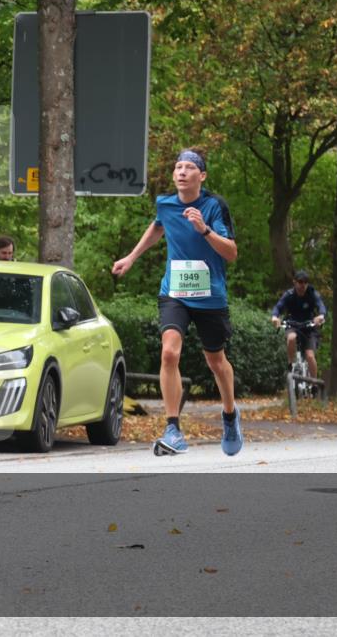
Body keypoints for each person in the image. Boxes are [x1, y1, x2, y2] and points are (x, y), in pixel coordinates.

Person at [111, 147, 242, 456]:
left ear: (202, 176)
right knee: (169, 353)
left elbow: (232, 253)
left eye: (189, 167)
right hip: (175, 293)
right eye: (178, 167)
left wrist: (204, 229)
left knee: (216, 362)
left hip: (210, 296)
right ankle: (173, 428)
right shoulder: (166, 204)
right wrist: (131, 257)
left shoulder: (214, 206)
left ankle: (230, 414)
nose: (182, 171)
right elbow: (157, 227)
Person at [271, 270, 327, 379]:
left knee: (310, 356)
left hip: (309, 326)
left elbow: (321, 306)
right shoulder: (289, 295)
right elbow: (278, 307)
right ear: (295, 282)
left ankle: (314, 383)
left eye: (305, 282)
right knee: (291, 338)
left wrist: (321, 316)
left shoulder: (312, 293)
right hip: (292, 324)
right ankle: (291, 364)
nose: (303, 285)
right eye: (300, 282)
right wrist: (274, 317)